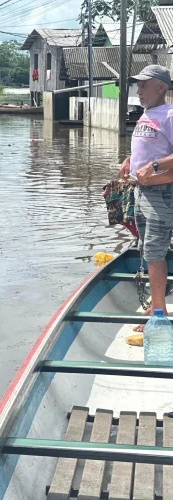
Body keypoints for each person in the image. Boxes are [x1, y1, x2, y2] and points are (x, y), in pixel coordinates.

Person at [119, 65, 173, 332]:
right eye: (137, 86)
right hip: (141, 192)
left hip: (161, 194)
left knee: (154, 252)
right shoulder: (147, 114)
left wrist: (153, 167)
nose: (138, 90)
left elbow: (164, 158)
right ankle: (157, 303)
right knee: (147, 249)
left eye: (143, 85)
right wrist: (131, 160)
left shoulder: (170, 114)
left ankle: (159, 313)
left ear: (161, 87)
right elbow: (152, 146)